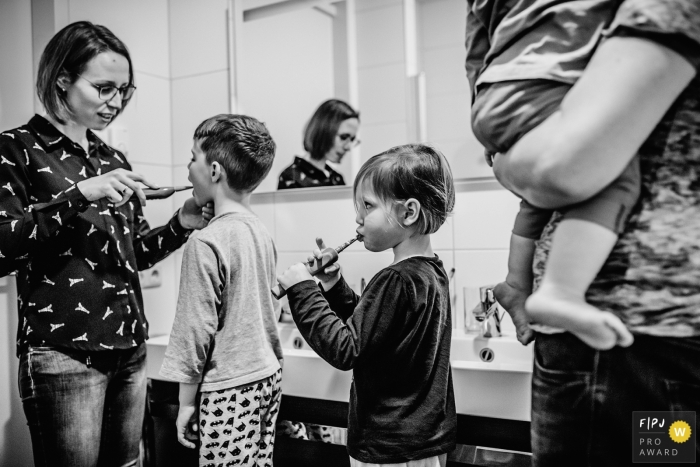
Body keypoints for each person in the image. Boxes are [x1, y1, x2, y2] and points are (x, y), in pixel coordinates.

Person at [486, 0, 700, 465]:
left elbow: (548, 165)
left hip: (628, 334)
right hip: (632, 338)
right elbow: (560, 166)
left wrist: (504, 156)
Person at [0, 21, 213, 467]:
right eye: (103, 88)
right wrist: (81, 194)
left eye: (124, 91)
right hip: (63, 354)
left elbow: (135, 252)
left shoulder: (113, 158)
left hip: (129, 349)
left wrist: (182, 223)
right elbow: (4, 249)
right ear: (62, 78)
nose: (115, 102)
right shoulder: (16, 149)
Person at [465, 0, 636, 349]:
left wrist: (483, 109)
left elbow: (476, 45)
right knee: (613, 172)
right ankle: (562, 291)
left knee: (540, 194)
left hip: (495, 91)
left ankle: (515, 285)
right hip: (552, 80)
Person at [277, 144, 457, 467]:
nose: (357, 218)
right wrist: (332, 286)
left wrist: (303, 289)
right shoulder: (430, 272)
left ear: (408, 212)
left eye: (367, 206)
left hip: (388, 448)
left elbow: (347, 347)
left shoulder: (396, 279)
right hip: (420, 443)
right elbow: (375, 330)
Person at [159, 114, 283, 466]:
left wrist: (185, 403)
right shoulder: (260, 231)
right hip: (266, 379)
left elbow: (193, 329)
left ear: (214, 171)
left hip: (228, 387)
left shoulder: (206, 241)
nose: (187, 169)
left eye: (193, 157)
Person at [277, 98, 360, 189]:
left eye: (352, 139)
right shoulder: (292, 177)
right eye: (343, 137)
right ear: (324, 132)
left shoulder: (336, 179)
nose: (348, 147)